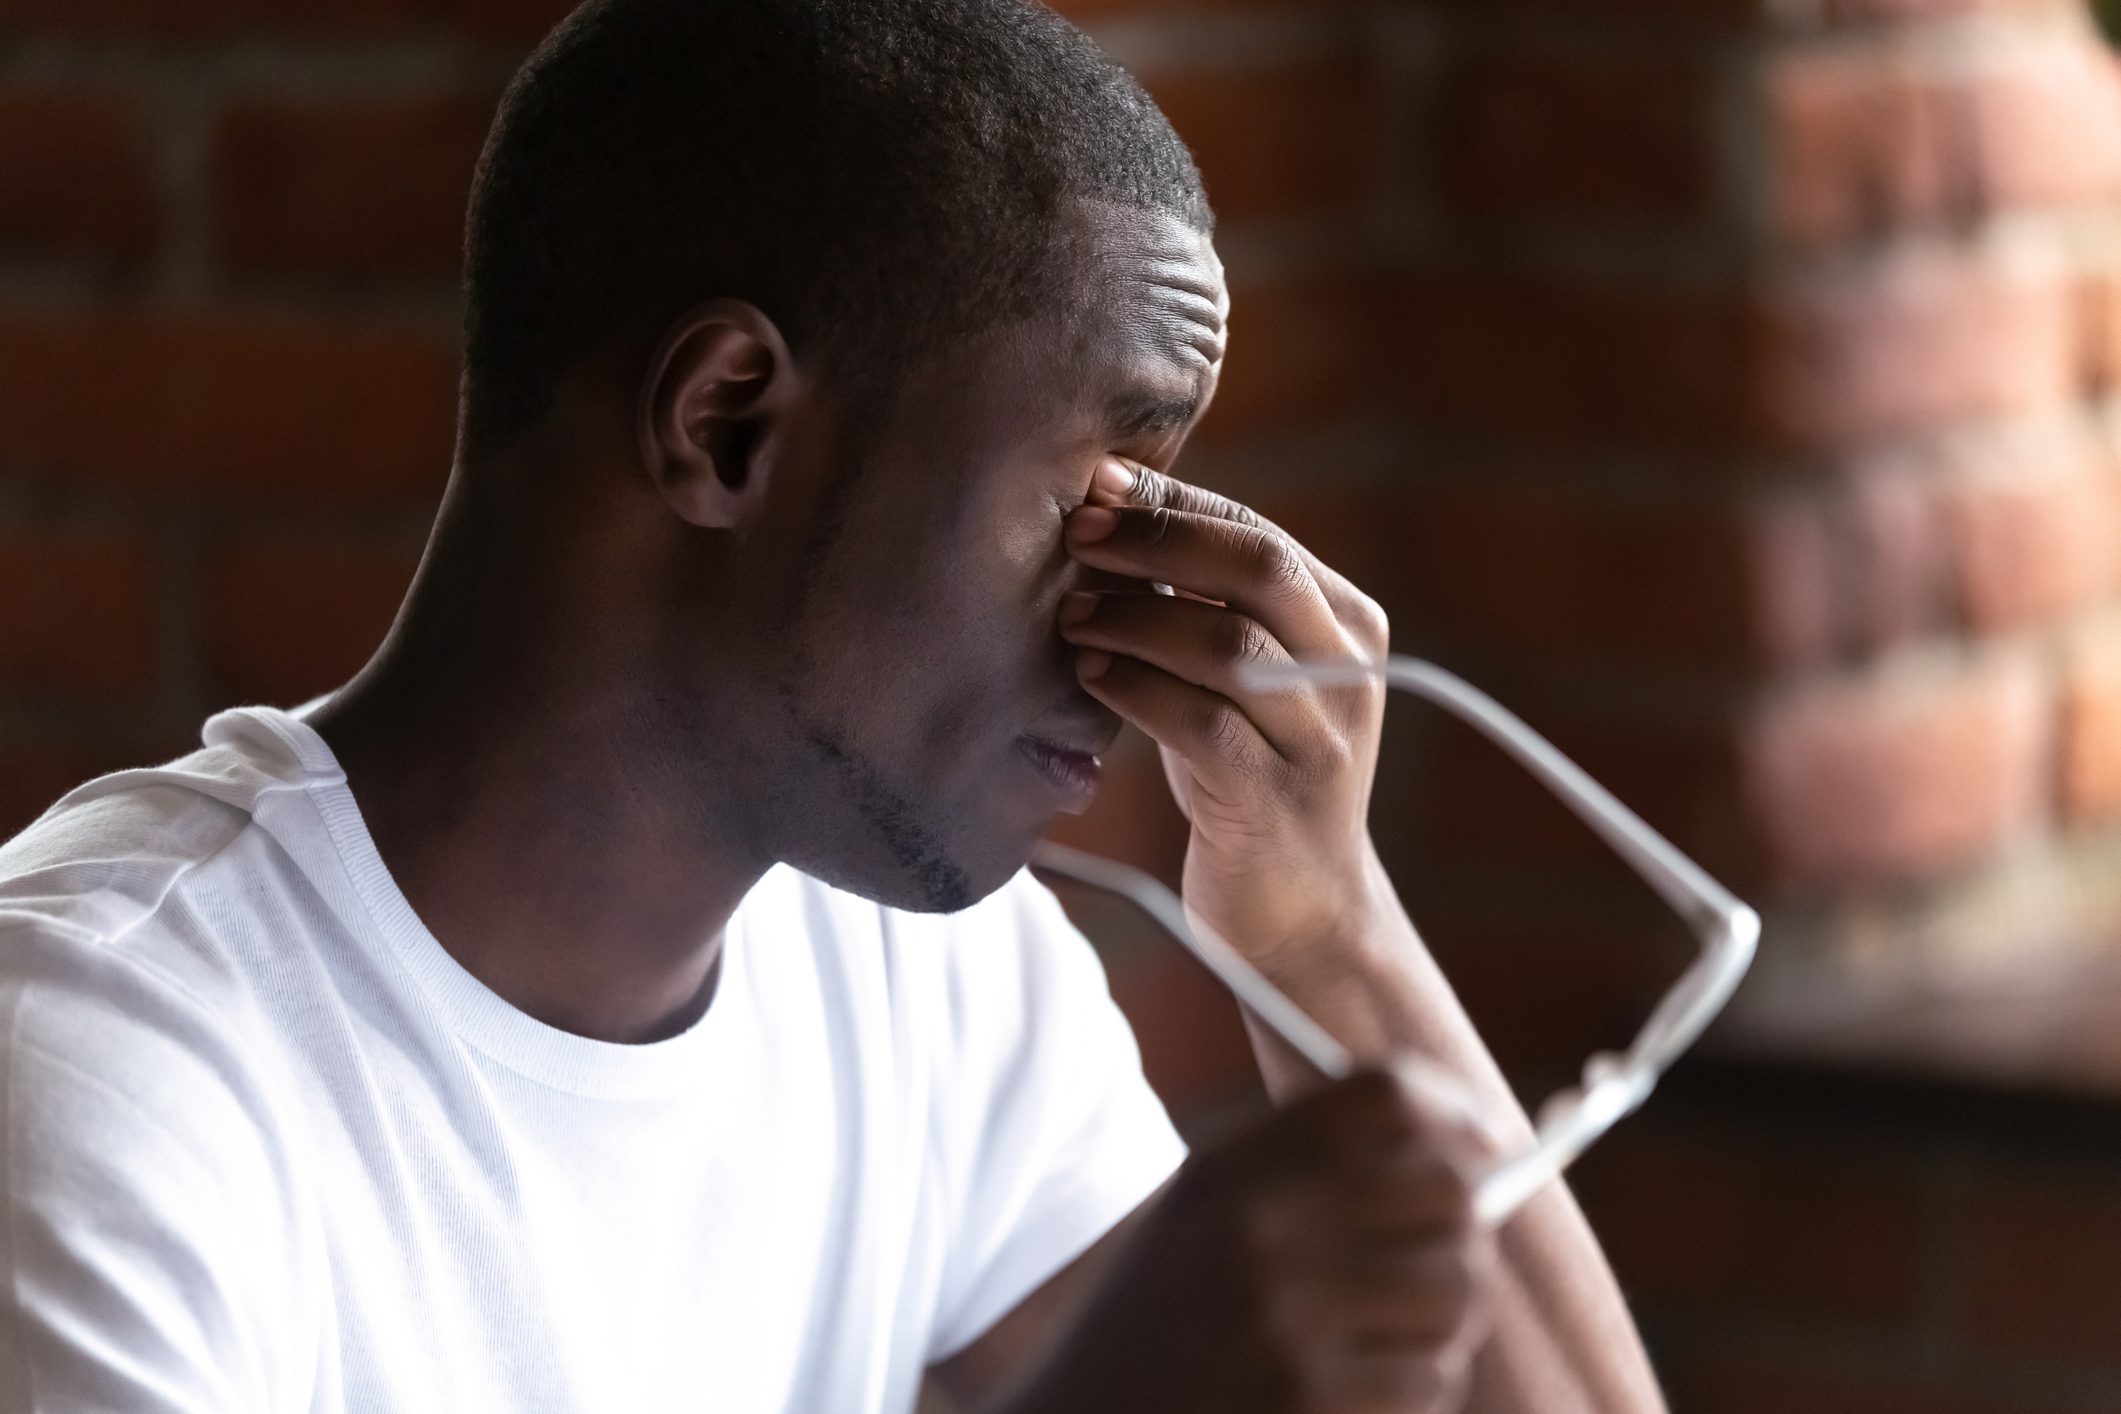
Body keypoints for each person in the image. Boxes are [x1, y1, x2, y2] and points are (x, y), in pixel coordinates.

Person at [0, 0, 1666, 1410]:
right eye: (1096, 494)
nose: (1122, 625)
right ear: (727, 422)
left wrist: (1323, 935)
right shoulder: (101, 1078)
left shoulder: (915, 972)